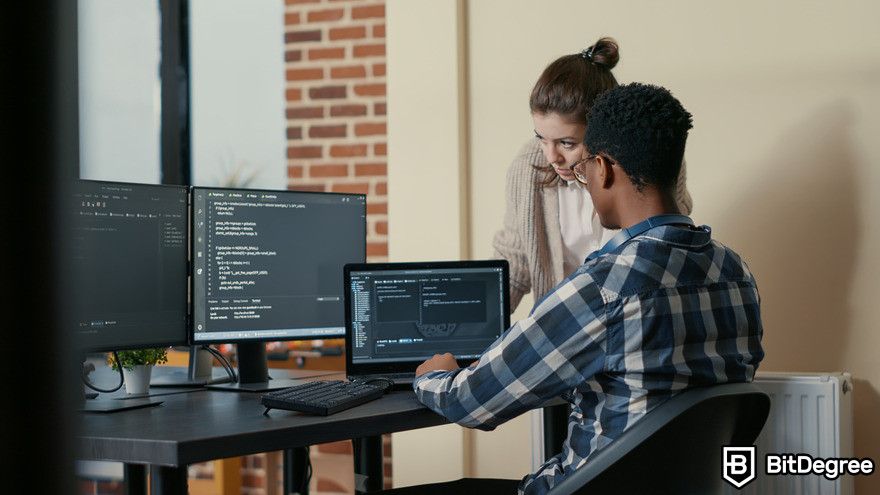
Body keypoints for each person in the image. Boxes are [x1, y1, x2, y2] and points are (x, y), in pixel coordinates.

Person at [396, 83, 764, 494]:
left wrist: (435, 377)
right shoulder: (736, 272)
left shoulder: (604, 287)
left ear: (602, 168)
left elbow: (470, 401)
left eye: (583, 163)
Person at [494, 37, 693, 313]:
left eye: (567, 143)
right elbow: (515, 264)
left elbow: (669, 247)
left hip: (638, 317)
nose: (551, 157)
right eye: (541, 138)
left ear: (601, 132)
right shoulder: (528, 168)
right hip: (564, 326)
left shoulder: (647, 160)